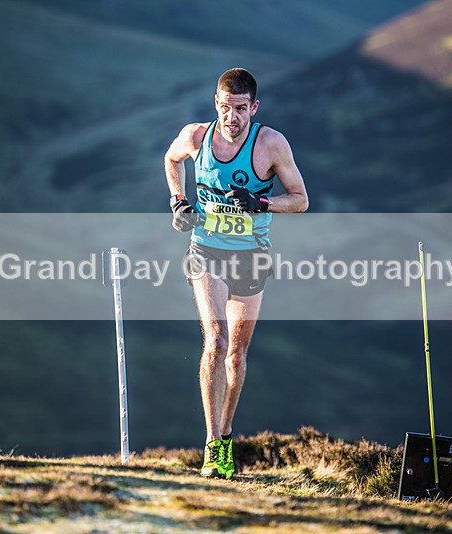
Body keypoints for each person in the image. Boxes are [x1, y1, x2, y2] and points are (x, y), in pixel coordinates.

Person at [163, 68, 309, 479]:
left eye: (240, 109)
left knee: (236, 355)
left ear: (254, 108)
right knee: (215, 341)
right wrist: (178, 200)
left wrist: (261, 203)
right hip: (206, 250)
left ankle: (226, 434)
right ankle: (212, 445)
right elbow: (171, 159)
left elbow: (300, 200)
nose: (232, 117)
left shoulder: (271, 144)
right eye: (226, 107)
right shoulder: (196, 136)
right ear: (216, 103)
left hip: (251, 255)